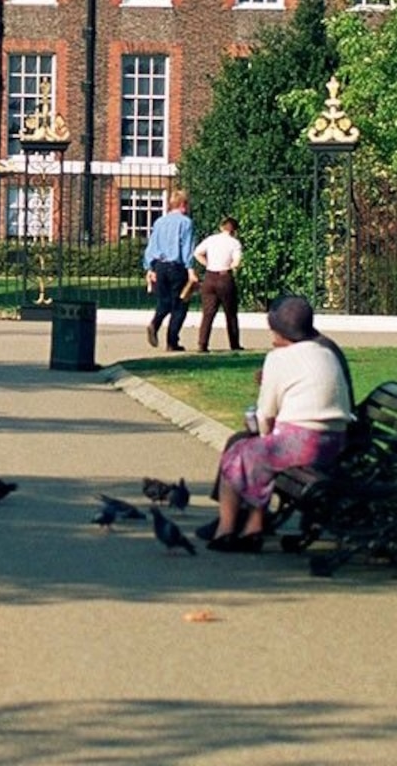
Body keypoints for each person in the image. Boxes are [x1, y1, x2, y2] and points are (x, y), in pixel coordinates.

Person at [206, 294, 357, 551]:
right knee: (254, 455)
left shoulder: (278, 359)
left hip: (301, 443)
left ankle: (226, 529)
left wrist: (263, 436)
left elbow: (265, 414)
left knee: (241, 452)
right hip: (335, 441)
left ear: (279, 332)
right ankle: (253, 526)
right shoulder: (326, 352)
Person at [142, 193, 196, 351]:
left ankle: (155, 323)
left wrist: (149, 268)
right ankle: (172, 342)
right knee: (180, 305)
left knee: (164, 302)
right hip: (176, 267)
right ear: (183, 205)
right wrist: (191, 270)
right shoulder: (186, 222)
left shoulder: (159, 222)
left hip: (160, 266)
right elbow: (187, 248)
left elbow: (151, 246)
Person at [191, 214, 245, 352]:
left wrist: (207, 263)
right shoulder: (234, 243)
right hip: (224, 277)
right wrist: (230, 266)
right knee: (230, 313)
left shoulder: (211, 239)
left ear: (222, 227)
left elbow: (197, 253)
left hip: (210, 276)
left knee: (208, 313)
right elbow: (237, 262)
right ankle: (234, 343)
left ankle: (202, 344)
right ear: (235, 230)